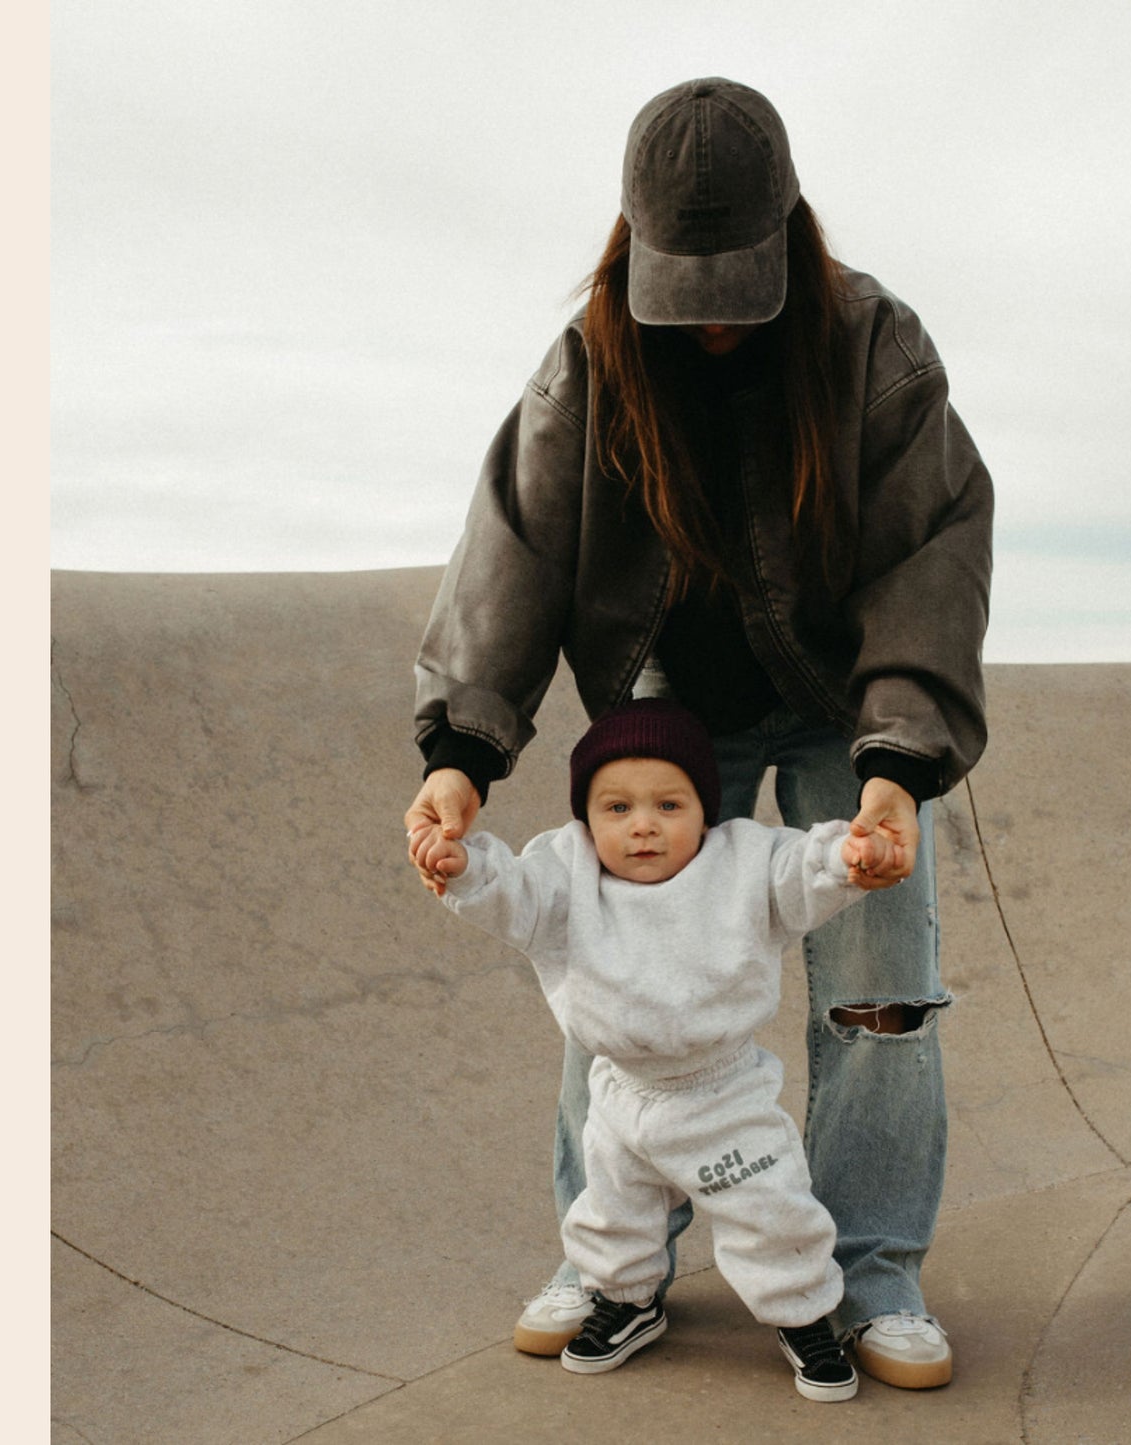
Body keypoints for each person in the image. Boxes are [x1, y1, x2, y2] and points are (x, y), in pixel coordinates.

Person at [406, 76, 992, 1390]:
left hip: (851, 700)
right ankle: (617, 1265)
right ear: (633, 250)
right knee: (613, 969)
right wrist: (460, 754)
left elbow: (931, 551)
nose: (717, 322)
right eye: (690, 286)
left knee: (880, 985)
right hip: (669, 710)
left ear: (792, 231)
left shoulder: (869, 344)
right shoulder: (592, 361)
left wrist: (896, 770)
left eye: (740, 282)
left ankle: (872, 1274)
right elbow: (513, 546)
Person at [411, 699, 897, 1401]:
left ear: (704, 807)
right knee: (612, 1210)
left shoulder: (742, 864)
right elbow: (506, 892)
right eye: (615, 807)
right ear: (586, 817)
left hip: (721, 1091)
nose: (642, 824)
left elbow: (801, 870)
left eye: (668, 804)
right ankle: (628, 1299)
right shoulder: (563, 873)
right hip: (621, 1093)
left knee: (771, 1210)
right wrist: (460, 864)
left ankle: (804, 1313)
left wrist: (847, 856)